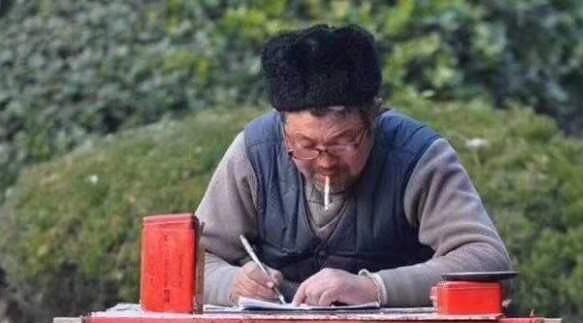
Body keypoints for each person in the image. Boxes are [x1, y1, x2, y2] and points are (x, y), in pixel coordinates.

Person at [195, 24, 511, 307]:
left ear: (374, 119)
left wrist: (375, 288)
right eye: (305, 146)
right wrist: (232, 285)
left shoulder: (418, 156)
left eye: (342, 143)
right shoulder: (254, 152)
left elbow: (487, 259)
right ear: (283, 129)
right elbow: (193, 258)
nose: (325, 162)